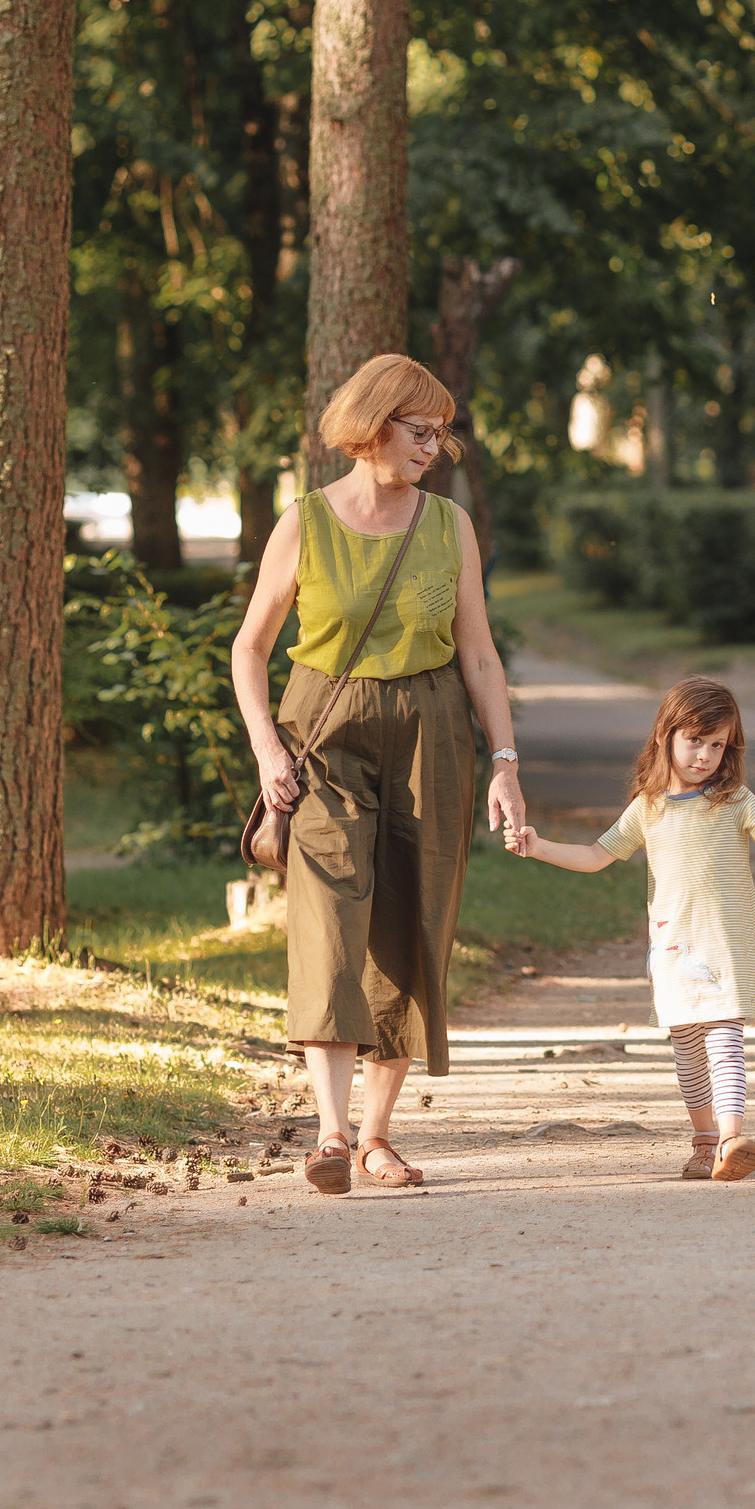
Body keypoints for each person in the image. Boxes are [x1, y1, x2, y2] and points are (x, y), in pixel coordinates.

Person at [231, 354, 526, 1196]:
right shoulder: (306, 524)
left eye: (442, 434)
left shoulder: (447, 526)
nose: (434, 447)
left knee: (412, 916)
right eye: (419, 430)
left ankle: (376, 1136)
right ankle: (327, 1134)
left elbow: (477, 652)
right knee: (328, 919)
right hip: (327, 730)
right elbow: (251, 648)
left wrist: (505, 762)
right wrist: (266, 748)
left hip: (432, 731)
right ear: (371, 427)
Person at [504, 677, 755, 1182]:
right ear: (665, 736)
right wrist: (538, 846)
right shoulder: (647, 807)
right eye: (695, 740)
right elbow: (594, 856)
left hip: (726, 946)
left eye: (717, 744)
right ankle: (703, 1142)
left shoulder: (734, 799)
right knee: (687, 1048)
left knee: (724, 1036)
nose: (705, 755)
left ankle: (732, 1136)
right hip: (673, 949)